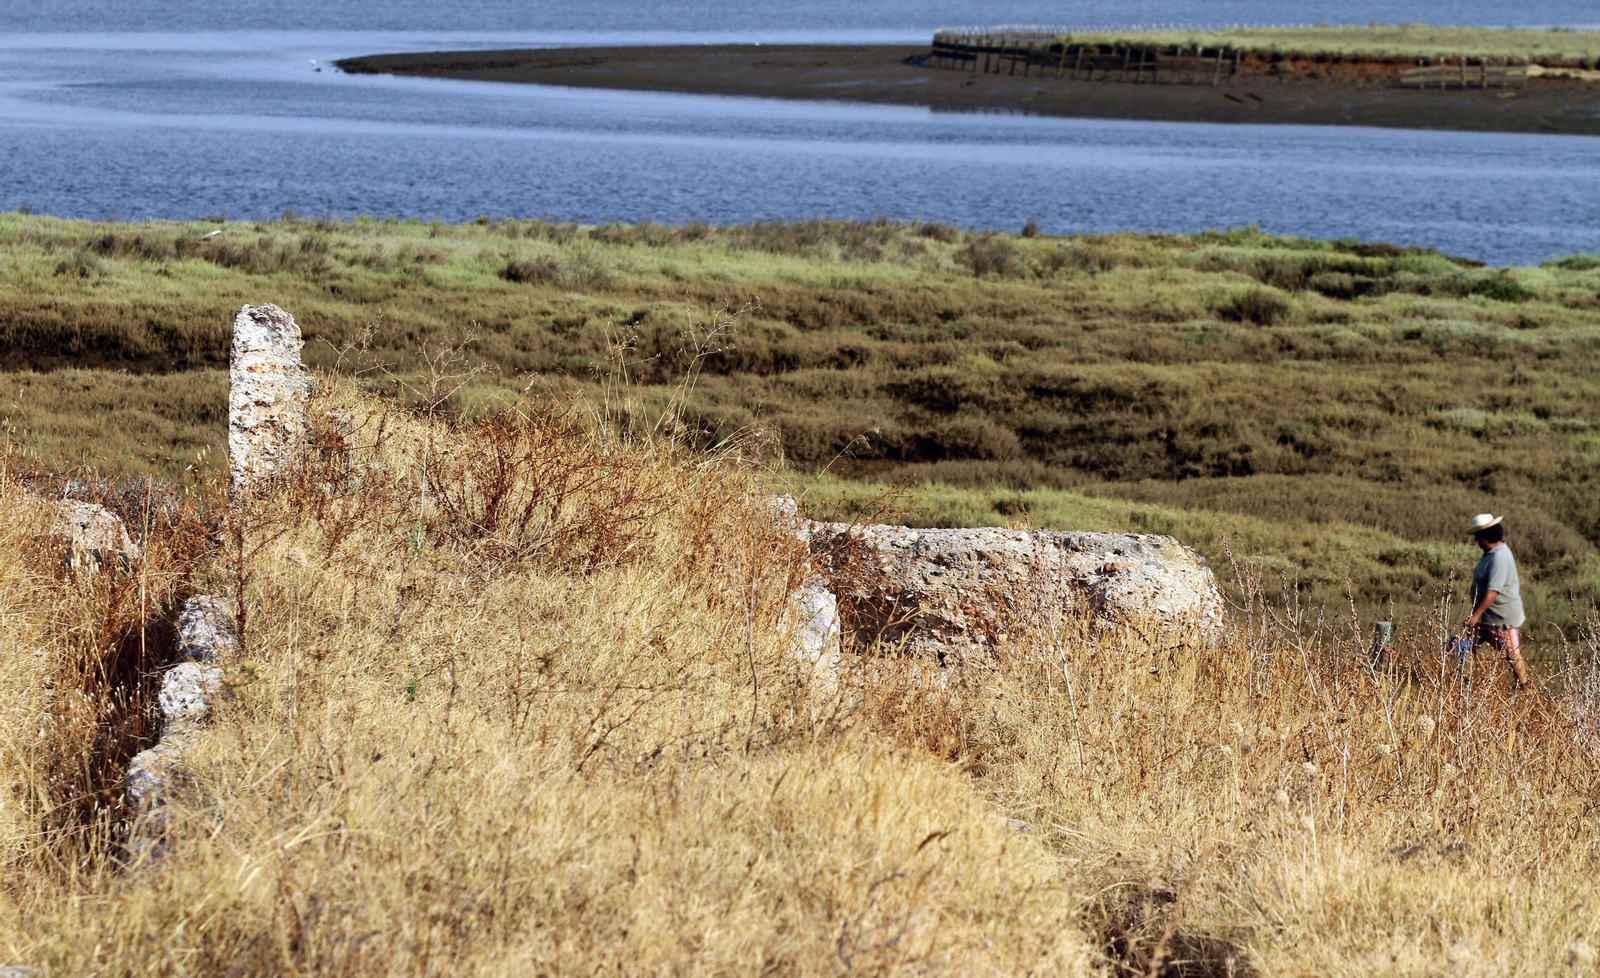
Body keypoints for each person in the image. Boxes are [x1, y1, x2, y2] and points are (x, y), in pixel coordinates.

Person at [1465, 513, 1530, 687]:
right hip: (1487, 616)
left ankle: (1525, 688)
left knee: (1512, 653)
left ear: (1486, 537)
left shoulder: (1499, 556)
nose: (1476, 541)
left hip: (1501, 618)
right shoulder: (1492, 553)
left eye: (1478, 536)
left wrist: (1475, 615)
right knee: (1466, 647)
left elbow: (1493, 591)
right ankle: (1465, 685)